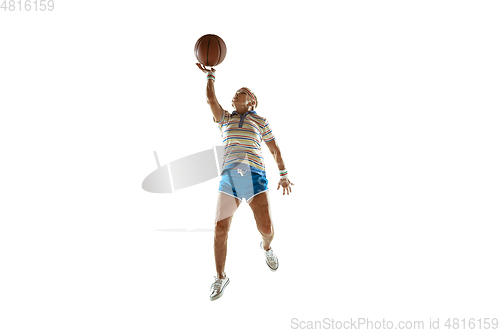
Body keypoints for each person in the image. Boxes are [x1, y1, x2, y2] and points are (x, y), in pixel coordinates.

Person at [196, 63, 294, 301]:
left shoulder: (260, 121)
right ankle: (220, 277)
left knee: (267, 229)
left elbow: (275, 149)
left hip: (254, 177)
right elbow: (211, 99)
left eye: (242, 91)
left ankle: (267, 248)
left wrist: (283, 174)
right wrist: (210, 75)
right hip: (230, 177)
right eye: (235, 93)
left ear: (252, 101)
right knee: (220, 230)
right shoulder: (225, 119)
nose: (235, 94)